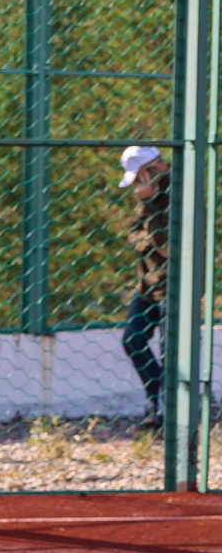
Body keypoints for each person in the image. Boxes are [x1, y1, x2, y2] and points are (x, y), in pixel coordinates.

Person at [118, 144, 171, 430]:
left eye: (139, 176)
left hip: (173, 286)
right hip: (147, 284)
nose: (138, 184)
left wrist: (150, 204)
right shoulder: (149, 193)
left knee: (169, 350)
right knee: (132, 339)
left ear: (153, 169)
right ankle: (158, 402)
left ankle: (167, 413)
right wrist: (145, 238)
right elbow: (132, 234)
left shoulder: (178, 192)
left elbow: (165, 246)